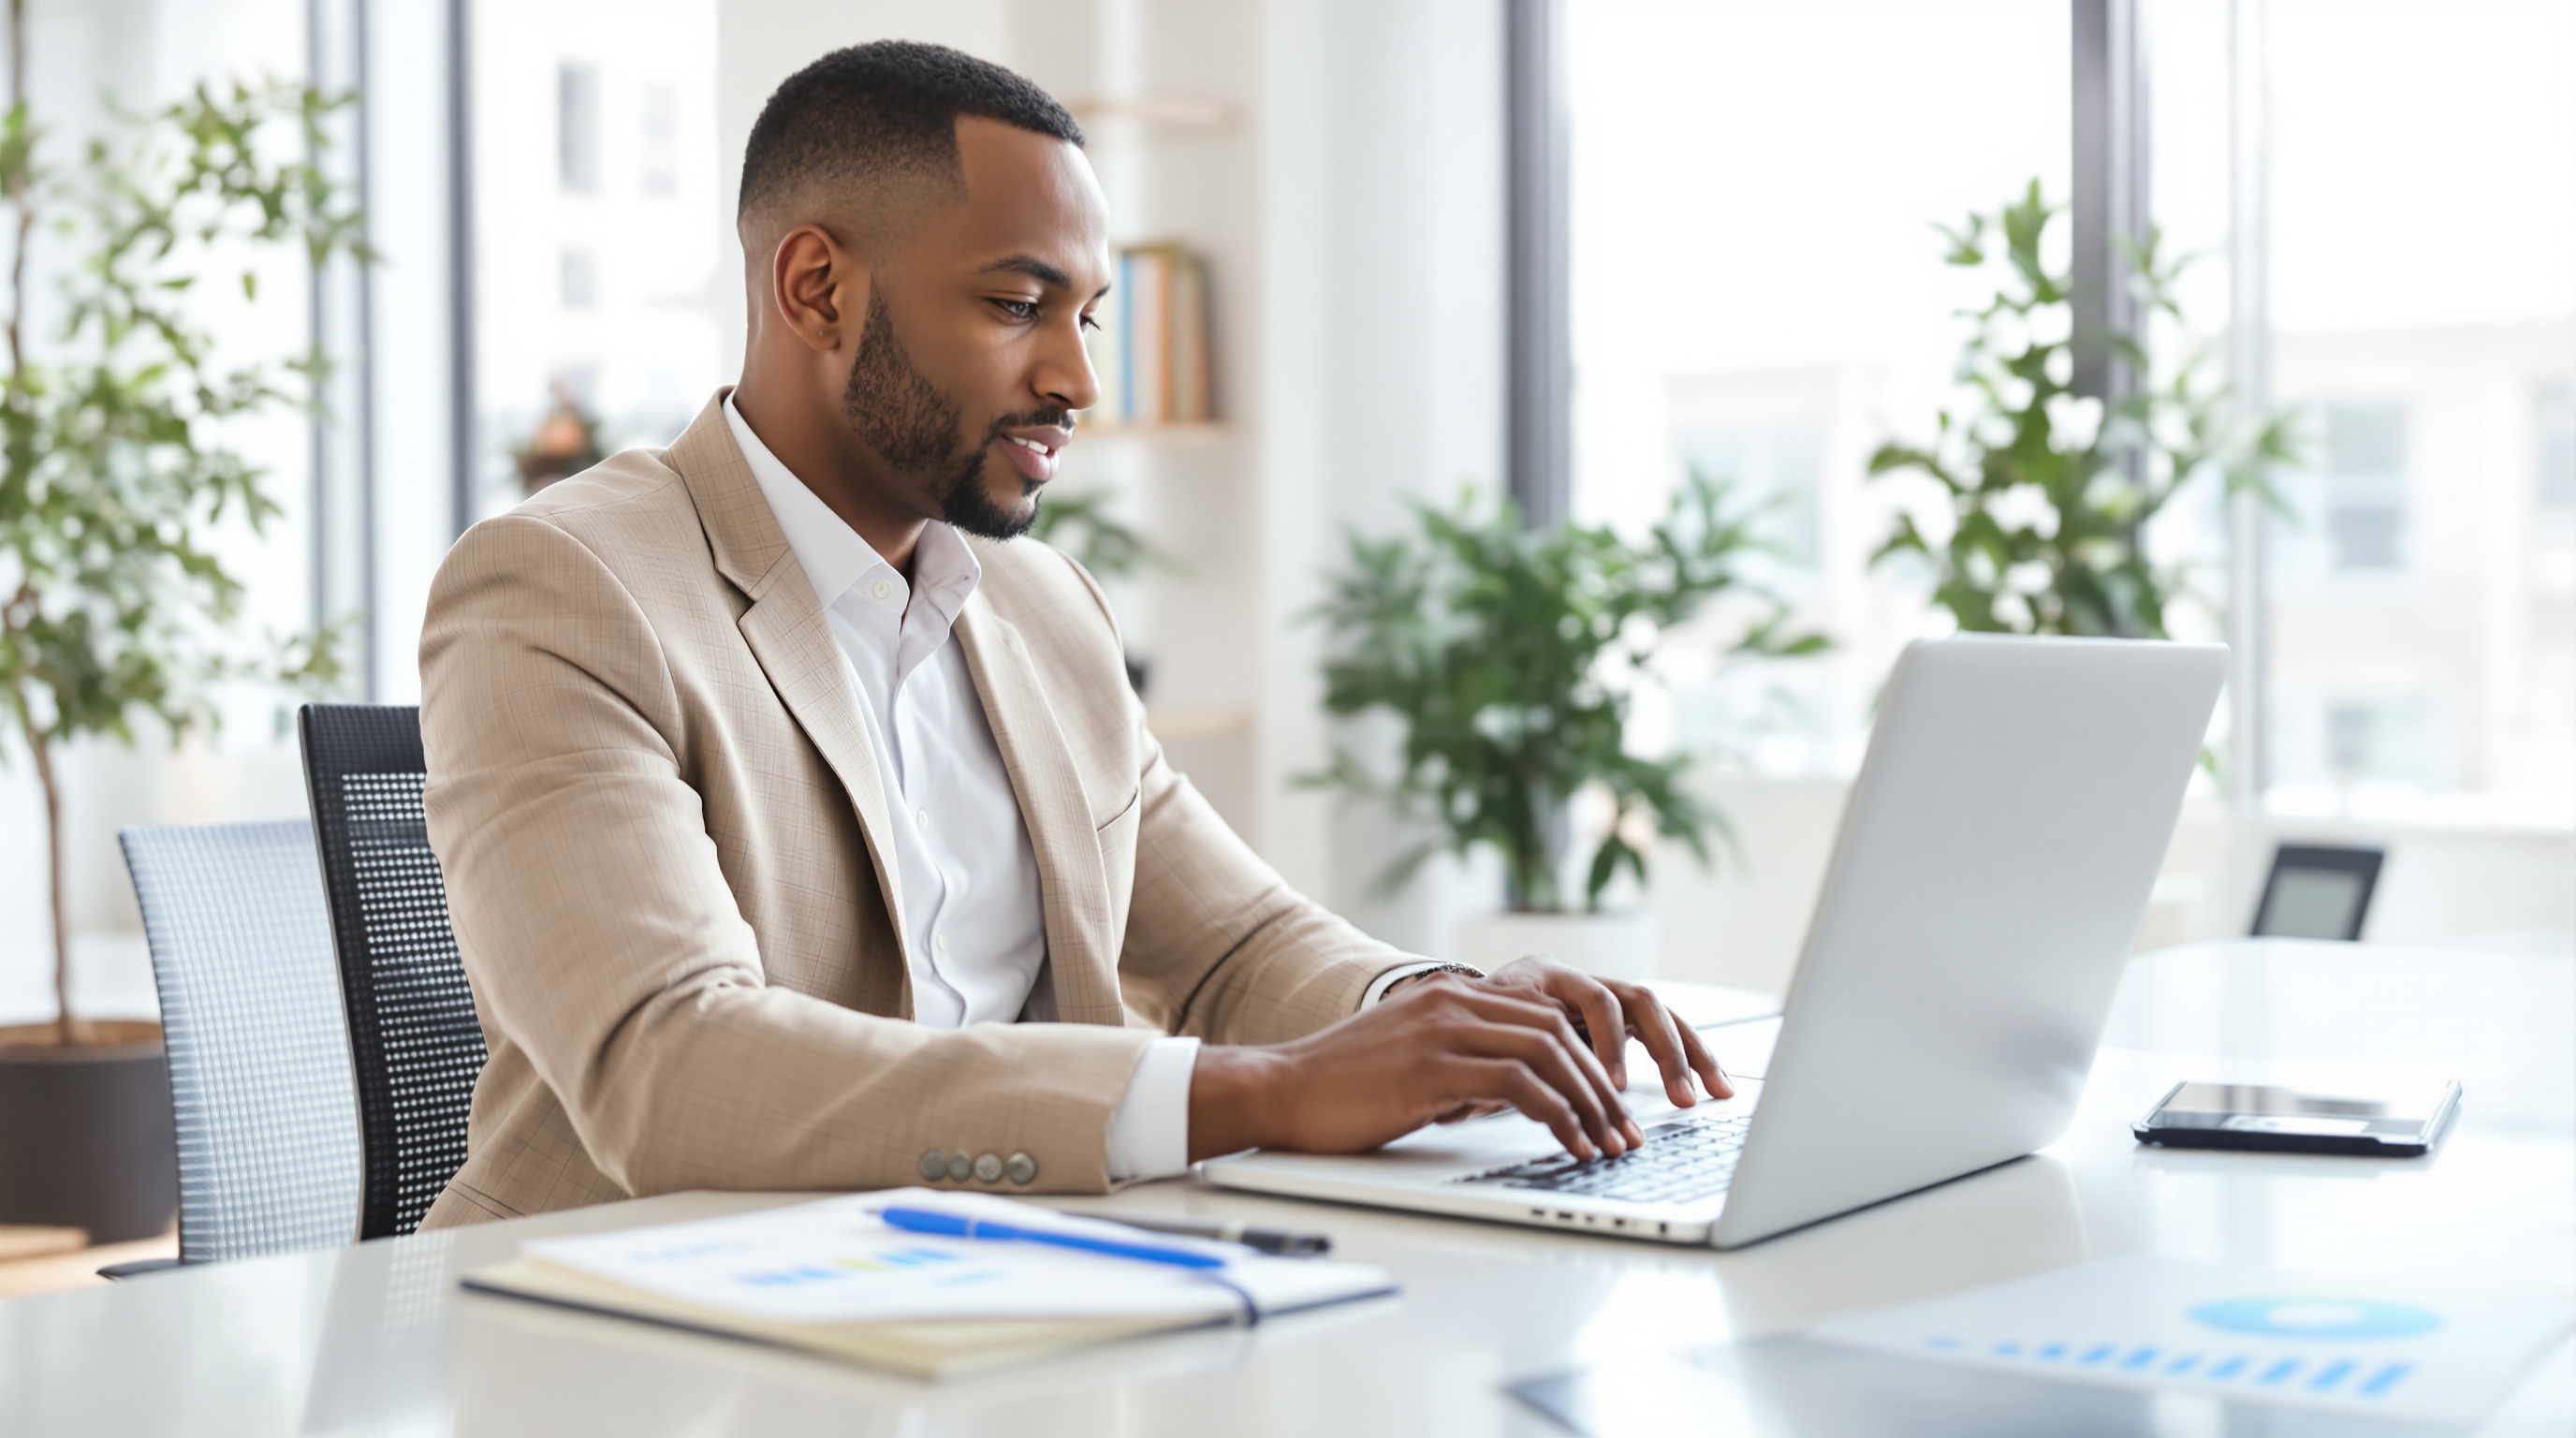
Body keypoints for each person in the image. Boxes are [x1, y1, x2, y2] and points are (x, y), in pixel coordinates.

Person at [415, 40, 1727, 1227]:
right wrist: (1253, 1094)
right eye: (1013, 305)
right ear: (816, 289)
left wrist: (1440, 1020)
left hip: (992, 1296)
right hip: (620, 1333)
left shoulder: (1040, 606)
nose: (1078, 379)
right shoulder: (567, 585)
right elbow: (670, 1067)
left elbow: (1230, 945)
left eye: (1086, 314)